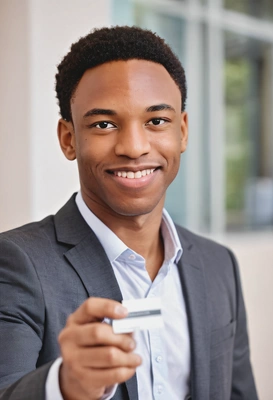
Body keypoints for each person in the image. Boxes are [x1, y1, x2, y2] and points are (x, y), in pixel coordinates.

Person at [0, 26, 258, 400]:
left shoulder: (219, 266)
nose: (134, 147)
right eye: (104, 124)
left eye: (156, 121)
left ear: (182, 132)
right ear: (69, 138)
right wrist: (64, 385)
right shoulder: (17, 264)